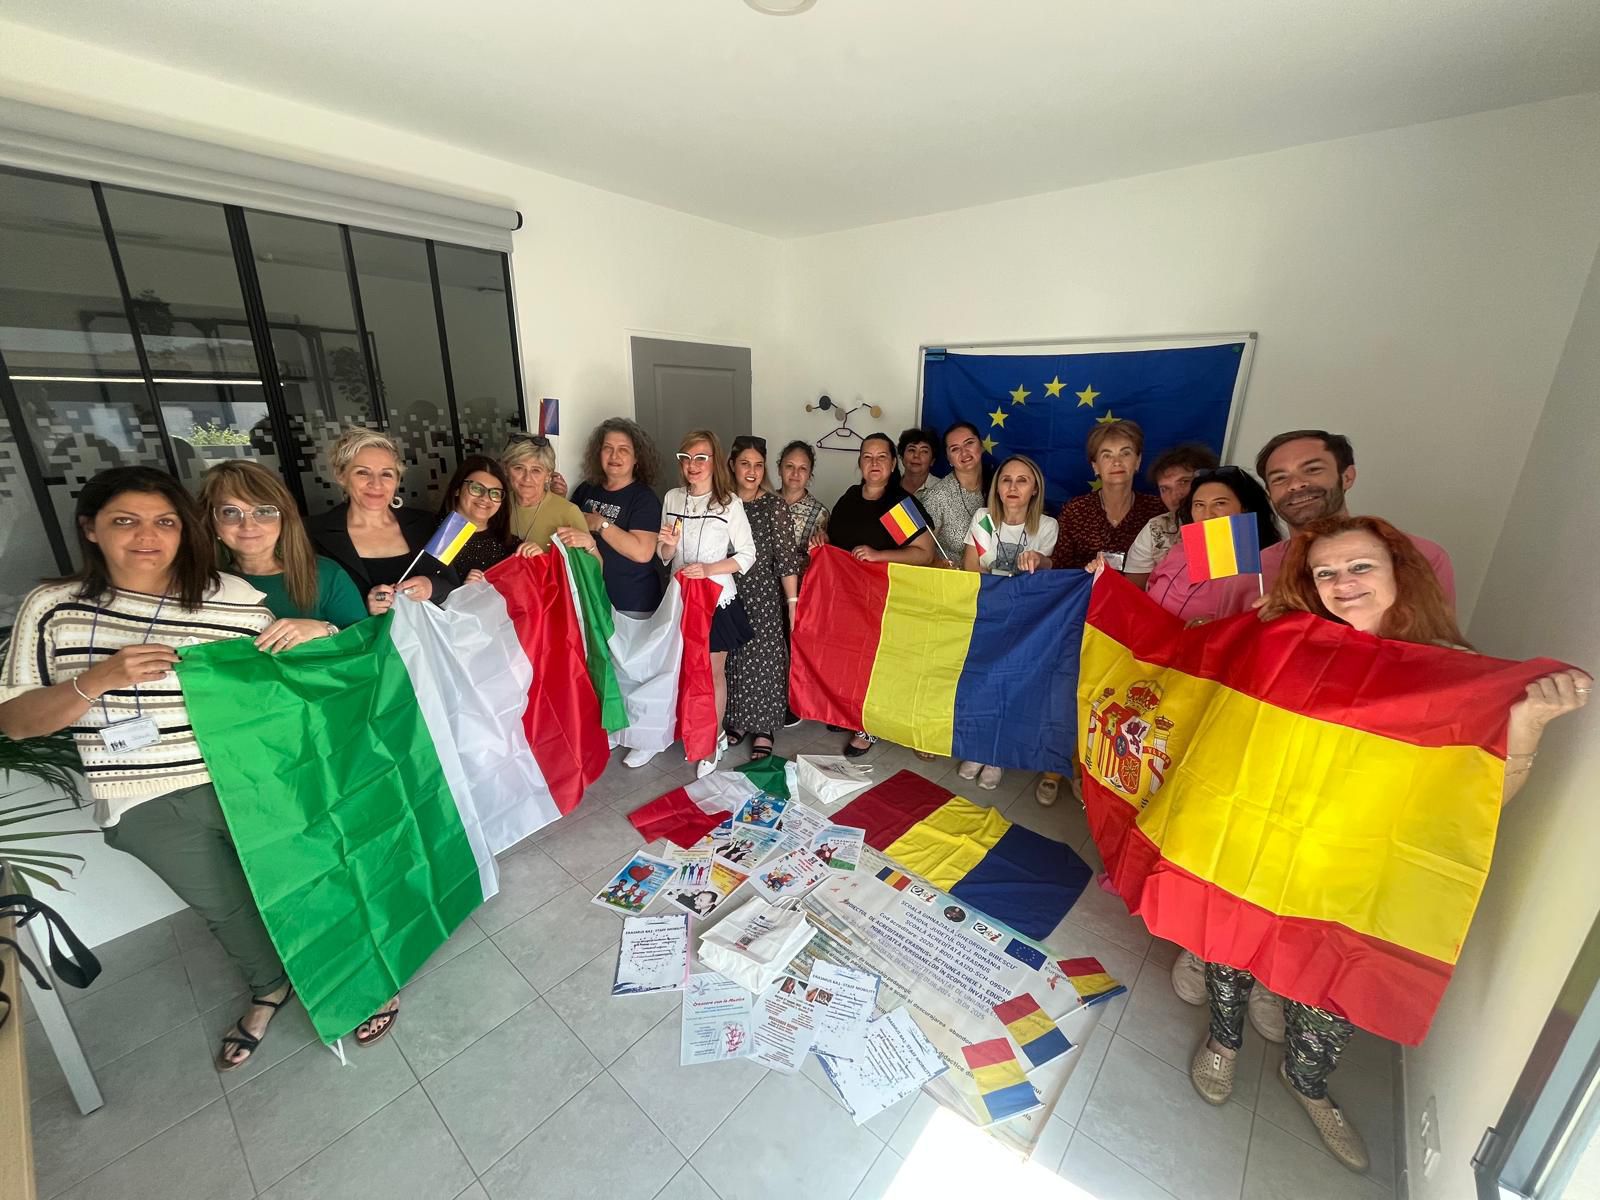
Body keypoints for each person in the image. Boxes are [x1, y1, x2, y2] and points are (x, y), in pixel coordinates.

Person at [1185, 514, 1590, 1172]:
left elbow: (1481, 803)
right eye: (1325, 573)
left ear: (1399, 572)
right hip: (1263, 844)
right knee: (1229, 946)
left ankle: (1306, 1080)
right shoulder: (1290, 642)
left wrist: (1528, 723)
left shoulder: (1447, 671)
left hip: (1358, 872)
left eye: (1360, 567)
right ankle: (1223, 1042)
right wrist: (1244, 635)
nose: (1342, 583)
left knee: (1331, 984)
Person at [0, 467, 397, 1066]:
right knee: (225, 909)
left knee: (309, 882)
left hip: (249, 781)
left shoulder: (232, 598)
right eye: (125, 521)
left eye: (164, 522)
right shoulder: (54, 608)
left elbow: (305, 684)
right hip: (143, 800)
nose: (147, 536)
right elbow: (17, 723)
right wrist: (98, 679)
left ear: (183, 530)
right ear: (91, 528)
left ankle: (356, 977)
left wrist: (322, 628)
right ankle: (270, 986)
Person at [1038, 419, 1166, 805]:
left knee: (1113, 700)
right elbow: (1061, 566)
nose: (1116, 462)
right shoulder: (1077, 509)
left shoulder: (1157, 511)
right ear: (1094, 466)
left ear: (1138, 461)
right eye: (1107, 455)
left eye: (1125, 453)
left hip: (1135, 622)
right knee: (1071, 691)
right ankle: (1057, 766)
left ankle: (1092, 770)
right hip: (1083, 617)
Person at [824, 433, 935, 756]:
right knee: (849, 659)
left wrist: (879, 555)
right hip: (847, 598)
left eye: (882, 457)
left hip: (884, 599)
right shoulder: (849, 497)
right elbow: (835, 540)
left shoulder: (897, 504)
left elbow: (924, 553)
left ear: (893, 463)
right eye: (868, 457)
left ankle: (869, 727)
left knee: (876, 663)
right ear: (860, 463)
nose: (874, 463)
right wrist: (821, 540)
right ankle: (849, 712)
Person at [658, 429, 757, 777]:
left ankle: (713, 740)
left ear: (715, 461)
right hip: (680, 599)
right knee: (684, 668)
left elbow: (747, 555)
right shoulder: (672, 498)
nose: (693, 465)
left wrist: (709, 569)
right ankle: (694, 729)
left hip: (716, 601)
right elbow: (664, 554)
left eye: (701, 458)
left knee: (712, 673)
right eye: (686, 458)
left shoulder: (730, 504)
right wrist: (668, 546)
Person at [955, 454, 1056, 789]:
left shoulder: (1046, 526)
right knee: (981, 683)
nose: (1013, 487)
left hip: (1025, 621)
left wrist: (1039, 560)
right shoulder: (984, 518)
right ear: (997, 487)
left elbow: (1047, 570)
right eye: (1006, 479)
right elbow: (973, 567)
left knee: (1009, 687)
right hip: (987, 614)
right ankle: (978, 747)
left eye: (1022, 480)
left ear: (1034, 489)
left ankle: (997, 754)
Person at [198, 460, 366, 641]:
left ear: (284, 518)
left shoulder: (326, 575)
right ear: (210, 520)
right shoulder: (196, 583)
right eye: (230, 512)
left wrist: (325, 629)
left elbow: (367, 643)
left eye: (264, 512)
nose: (248, 525)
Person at [306, 428, 458, 614]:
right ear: (341, 475)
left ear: (397, 480)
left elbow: (454, 587)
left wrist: (431, 586)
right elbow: (308, 607)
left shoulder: (427, 523)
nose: (376, 484)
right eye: (363, 472)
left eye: (386, 474)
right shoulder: (313, 534)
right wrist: (362, 607)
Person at [724, 436, 803, 761]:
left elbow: (786, 560)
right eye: (745, 463)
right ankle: (737, 720)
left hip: (762, 596)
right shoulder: (721, 503)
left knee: (763, 661)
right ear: (732, 465)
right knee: (732, 659)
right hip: (726, 592)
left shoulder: (773, 506)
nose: (752, 471)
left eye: (758, 465)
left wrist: (792, 603)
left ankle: (764, 728)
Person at [1144, 467, 1283, 622]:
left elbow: (1255, 625)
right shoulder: (1178, 551)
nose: (1207, 514)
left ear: (1245, 508)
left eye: (1219, 503)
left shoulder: (1263, 565)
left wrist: (1216, 629)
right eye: (1199, 505)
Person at [569, 418, 666, 617]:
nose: (614, 456)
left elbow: (642, 552)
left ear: (637, 457)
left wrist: (600, 524)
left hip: (631, 604)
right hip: (590, 597)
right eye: (608, 448)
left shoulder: (644, 499)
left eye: (624, 449)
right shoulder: (586, 489)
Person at [1124, 443, 1220, 588]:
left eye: (1184, 482)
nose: (1176, 495)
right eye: (1165, 489)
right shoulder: (1156, 528)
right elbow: (1133, 589)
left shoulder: (1233, 525)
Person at [434, 455, 542, 582]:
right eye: (476, 488)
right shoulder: (431, 534)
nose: (485, 498)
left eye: (495, 493)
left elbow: (531, 589)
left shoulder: (512, 547)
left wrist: (538, 563)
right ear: (457, 489)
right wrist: (460, 590)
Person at [502, 433, 588, 551]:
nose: (527, 478)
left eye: (536, 470)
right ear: (506, 470)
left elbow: (593, 561)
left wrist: (544, 558)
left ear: (548, 475)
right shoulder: (498, 504)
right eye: (518, 468)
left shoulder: (568, 512)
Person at [920, 422, 989, 567]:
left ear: (981, 446)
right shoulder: (938, 496)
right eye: (955, 449)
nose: (964, 452)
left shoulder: (1000, 486)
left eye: (969, 443)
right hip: (952, 576)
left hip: (996, 576)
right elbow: (920, 550)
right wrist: (938, 564)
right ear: (949, 459)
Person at [897, 427, 939, 503]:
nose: (916, 455)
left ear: (932, 461)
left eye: (924, 451)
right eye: (911, 450)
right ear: (902, 457)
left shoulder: (941, 489)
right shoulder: (889, 486)